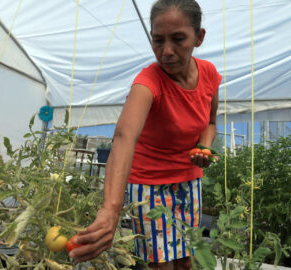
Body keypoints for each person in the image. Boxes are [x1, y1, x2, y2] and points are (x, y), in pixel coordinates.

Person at [70, 0, 221, 269]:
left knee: (188, 259)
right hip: (149, 185)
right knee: (160, 264)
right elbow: (124, 136)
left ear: (199, 37)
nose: (166, 51)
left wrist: (204, 148)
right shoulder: (148, 81)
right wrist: (111, 209)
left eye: (178, 39)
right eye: (158, 40)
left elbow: (210, 123)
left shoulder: (209, 74)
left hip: (189, 180)